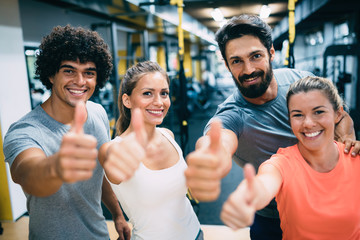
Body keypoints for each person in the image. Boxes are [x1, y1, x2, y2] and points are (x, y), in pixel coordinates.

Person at [184, 14, 356, 240]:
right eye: (236, 61)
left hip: (330, 204)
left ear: (271, 53)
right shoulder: (233, 114)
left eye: (255, 56)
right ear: (226, 65)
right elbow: (219, 141)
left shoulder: (299, 81)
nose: (248, 70)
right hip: (271, 218)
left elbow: (340, 115)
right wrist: (211, 157)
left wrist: (347, 142)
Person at [3, 25, 130, 240]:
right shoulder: (26, 130)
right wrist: (58, 166)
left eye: (88, 73)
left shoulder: (97, 112)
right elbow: (27, 173)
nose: (80, 81)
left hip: (98, 235)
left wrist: (118, 214)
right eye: (69, 71)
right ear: (51, 75)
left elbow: (99, 175)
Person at [220, 76, 360, 239]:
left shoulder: (355, 157)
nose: (308, 123)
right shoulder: (281, 164)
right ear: (290, 119)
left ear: (337, 114)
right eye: (298, 115)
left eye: (318, 112)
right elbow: (266, 183)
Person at [99, 61, 203, 240]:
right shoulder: (113, 151)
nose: (159, 102)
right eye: (148, 93)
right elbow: (102, 179)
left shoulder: (168, 135)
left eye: (164, 93)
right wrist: (118, 215)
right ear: (127, 100)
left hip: (196, 234)